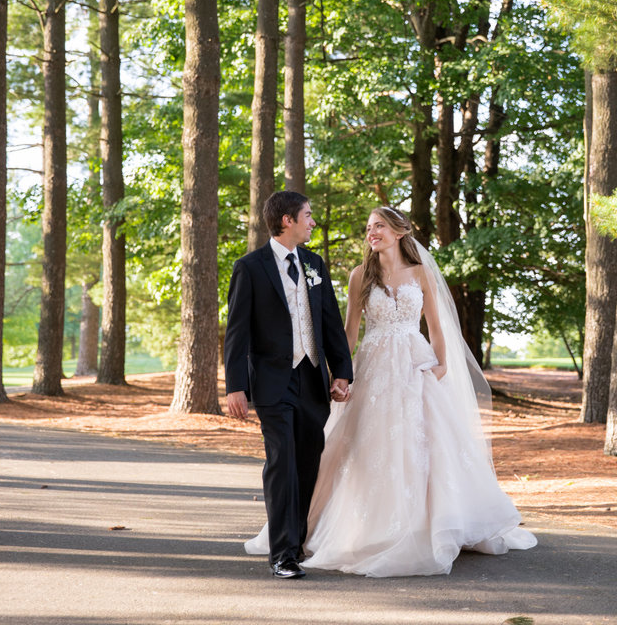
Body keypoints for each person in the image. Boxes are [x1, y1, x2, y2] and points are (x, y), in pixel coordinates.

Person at [247, 205, 536, 576]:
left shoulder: (420, 273)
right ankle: (340, 527)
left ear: (399, 231)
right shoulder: (359, 276)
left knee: (427, 442)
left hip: (415, 365)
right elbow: (348, 331)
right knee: (366, 444)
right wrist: (342, 374)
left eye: (379, 226)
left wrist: (442, 362)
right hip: (374, 365)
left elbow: (436, 324)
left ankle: (430, 524)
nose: (372, 232)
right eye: (369, 227)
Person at [224, 191, 354, 580]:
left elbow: (330, 321)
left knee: (307, 463)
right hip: (272, 383)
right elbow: (237, 333)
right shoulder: (250, 268)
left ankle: (295, 544)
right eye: (308, 216)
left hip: (312, 379)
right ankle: (282, 554)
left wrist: (342, 371)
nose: (313, 222)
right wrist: (235, 387)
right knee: (281, 462)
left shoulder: (315, 265)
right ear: (287, 220)